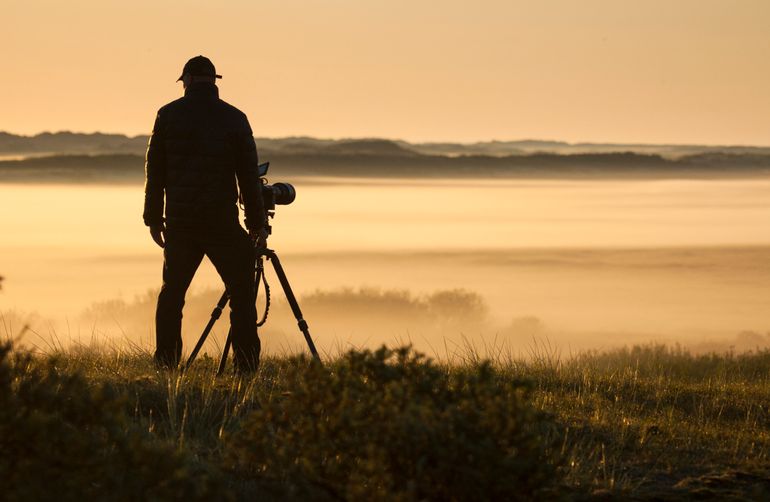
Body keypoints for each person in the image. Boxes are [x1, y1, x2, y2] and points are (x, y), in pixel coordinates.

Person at [143, 55, 268, 372]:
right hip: (221, 223)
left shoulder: (167, 115)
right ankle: (245, 367)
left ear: (186, 80)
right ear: (214, 82)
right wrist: (257, 224)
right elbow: (249, 179)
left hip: (181, 224)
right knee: (242, 296)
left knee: (172, 296)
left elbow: (155, 172)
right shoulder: (235, 118)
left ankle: (167, 365)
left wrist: (154, 219)